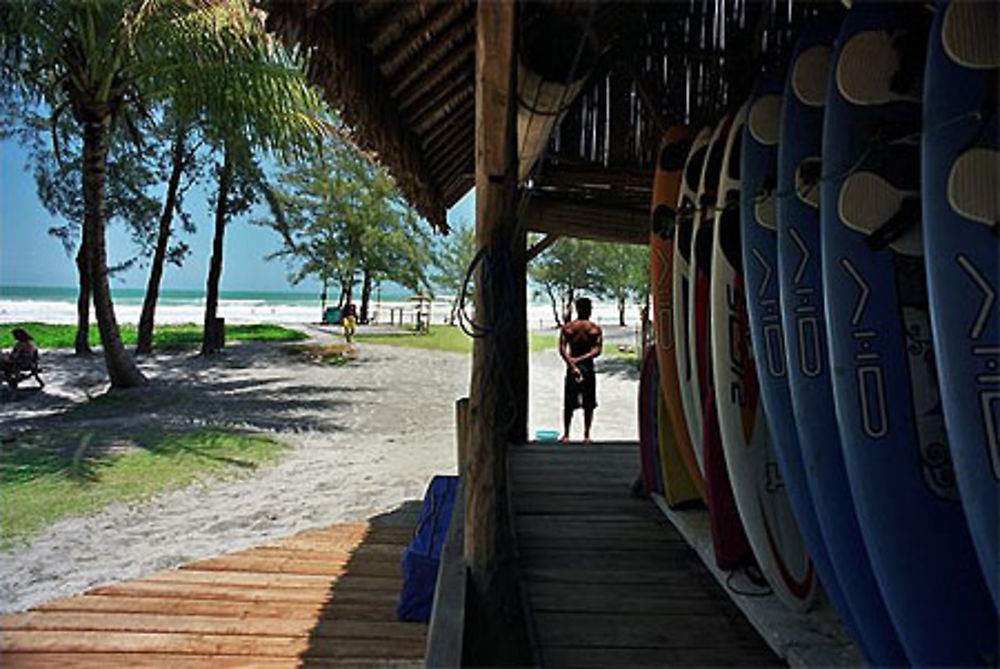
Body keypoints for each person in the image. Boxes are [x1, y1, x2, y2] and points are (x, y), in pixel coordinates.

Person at [560, 297, 603, 442]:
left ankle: (567, 434)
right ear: (589, 310)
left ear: (577, 309)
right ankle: (586, 435)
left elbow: (562, 349)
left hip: (572, 367)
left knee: (570, 402)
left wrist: (572, 363)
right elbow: (596, 351)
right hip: (587, 367)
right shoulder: (594, 328)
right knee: (588, 402)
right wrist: (581, 360)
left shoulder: (569, 327)